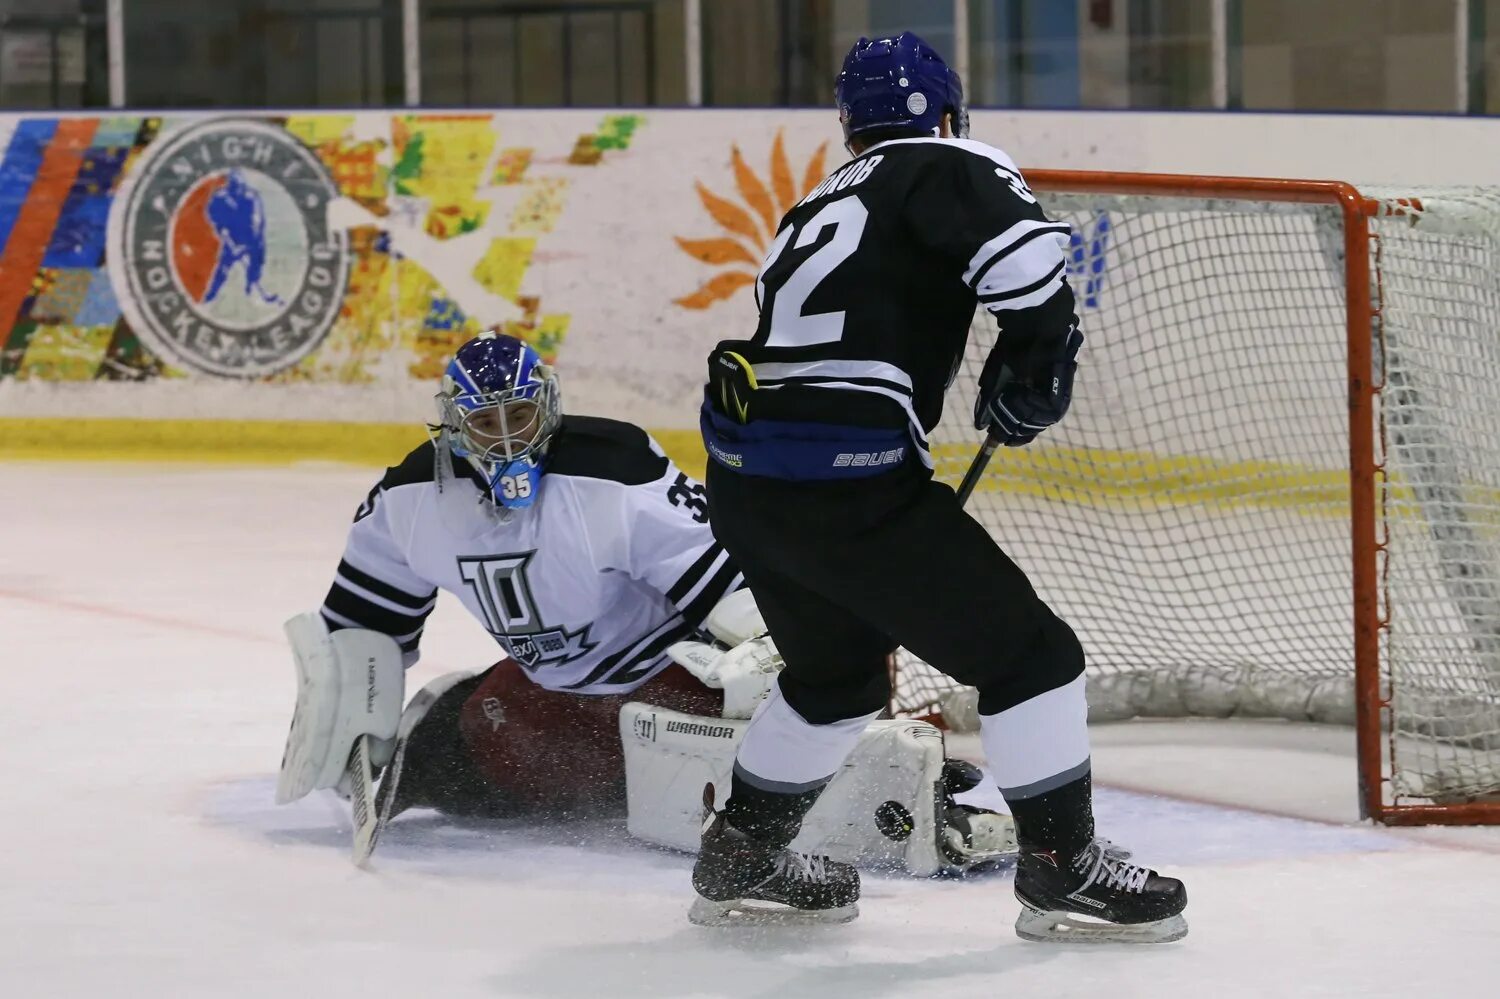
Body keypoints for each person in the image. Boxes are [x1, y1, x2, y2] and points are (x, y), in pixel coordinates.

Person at [693, 33, 1188, 942]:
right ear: (949, 109)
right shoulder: (953, 161)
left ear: (852, 126)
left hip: (748, 478)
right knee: (1032, 658)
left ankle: (742, 853)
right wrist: (1036, 364)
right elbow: (1032, 270)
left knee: (836, 679)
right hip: (853, 489)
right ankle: (1062, 868)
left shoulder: (814, 201)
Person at [274, 331, 1011, 876]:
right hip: (548, 703)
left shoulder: (612, 472)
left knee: (718, 755)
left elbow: (737, 601)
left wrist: (801, 676)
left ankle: (883, 783)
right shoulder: (406, 500)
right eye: (484, 423)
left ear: (548, 408)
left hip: (664, 688)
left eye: (519, 418)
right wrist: (354, 729)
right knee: (472, 750)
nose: (504, 441)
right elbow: (362, 631)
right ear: (452, 423)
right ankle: (849, 783)